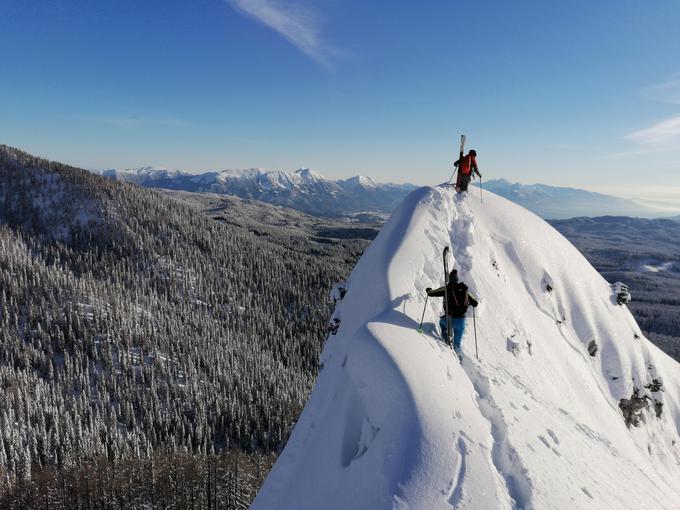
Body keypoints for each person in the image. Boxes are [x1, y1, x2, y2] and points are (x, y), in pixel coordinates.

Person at [426, 269, 479, 358]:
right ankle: (459, 359)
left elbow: (432, 293)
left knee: (441, 323)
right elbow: (475, 303)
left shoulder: (447, 289)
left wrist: (429, 290)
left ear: (450, 279)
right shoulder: (464, 289)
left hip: (449, 319)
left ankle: (446, 338)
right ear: (457, 279)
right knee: (457, 344)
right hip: (461, 322)